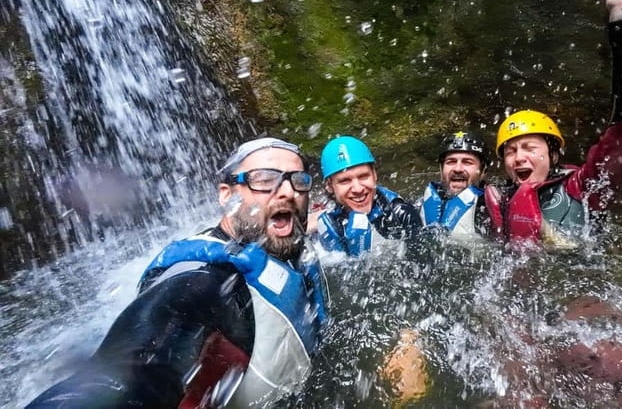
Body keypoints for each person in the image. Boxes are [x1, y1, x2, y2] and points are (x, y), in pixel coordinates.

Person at [27, 137, 328, 408]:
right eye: (264, 180)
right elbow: (124, 375)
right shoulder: (203, 283)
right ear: (227, 195)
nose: (288, 192)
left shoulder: (287, 244)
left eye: (298, 180)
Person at [484, 0, 622, 247]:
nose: (518, 158)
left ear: (553, 154)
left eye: (529, 147)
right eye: (510, 151)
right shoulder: (499, 200)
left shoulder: (585, 188)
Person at [314, 136, 423, 256]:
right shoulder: (329, 221)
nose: (358, 189)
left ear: (375, 175)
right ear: (329, 186)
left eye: (363, 176)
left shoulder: (400, 215)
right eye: (345, 180)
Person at [418, 131, 492, 239]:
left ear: (483, 171)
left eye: (467, 162)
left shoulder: (490, 212)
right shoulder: (420, 204)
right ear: (441, 169)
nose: (458, 169)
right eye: (451, 162)